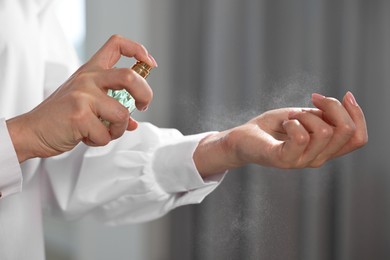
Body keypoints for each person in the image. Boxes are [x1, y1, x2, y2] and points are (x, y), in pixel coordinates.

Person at [0, 1, 368, 259]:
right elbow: (36, 137)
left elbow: (65, 162)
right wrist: (20, 137)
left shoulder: (30, 7)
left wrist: (227, 145)